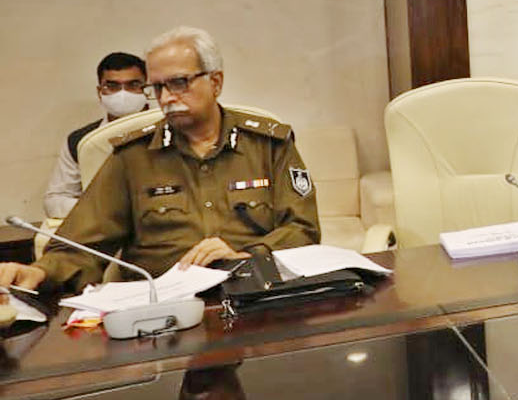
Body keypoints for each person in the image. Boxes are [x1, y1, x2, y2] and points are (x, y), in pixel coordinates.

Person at [0, 26, 320, 292]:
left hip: (256, 295)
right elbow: (81, 244)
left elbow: (303, 229)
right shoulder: (133, 157)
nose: (166, 98)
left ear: (215, 82)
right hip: (164, 311)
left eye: (179, 83)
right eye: (157, 87)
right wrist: (40, 271)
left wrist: (247, 255)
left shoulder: (267, 145)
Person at [43, 52, 150, 219]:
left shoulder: (172, 130)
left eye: (133, 84)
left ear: (147, 89)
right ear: (100, 92)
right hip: (103, 225)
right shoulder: (80, 141)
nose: (123, 93)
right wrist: (101, 207)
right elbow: (55, 200)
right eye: (112, 86)